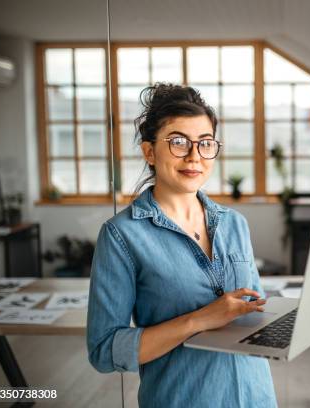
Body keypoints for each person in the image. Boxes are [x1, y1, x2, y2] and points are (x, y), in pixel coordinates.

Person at [87, 83, 277, 407]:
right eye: (178, 142)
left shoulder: (235, 224)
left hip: (256, 396)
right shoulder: (122, 236)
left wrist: (290, 319)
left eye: (205, 143)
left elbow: (251, 309)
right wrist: (199, 320)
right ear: (149, 151)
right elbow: (105, 350)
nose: (194, 156)